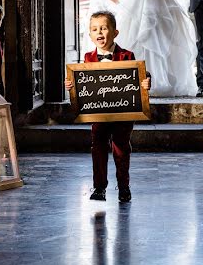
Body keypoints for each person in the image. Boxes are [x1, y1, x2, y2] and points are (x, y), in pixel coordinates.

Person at [64, 11, 150, 202]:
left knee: (121, 149)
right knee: (98, 149)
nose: (99, 32)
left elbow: (141, 75)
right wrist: (71, 86)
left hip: (122, 113)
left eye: (104, 28)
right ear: (90, 34)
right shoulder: (87, 58)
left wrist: (146, 82)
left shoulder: (127, 55)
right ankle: (99, 187)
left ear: (115, 32)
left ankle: (124, 187)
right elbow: (83, 83)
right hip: (99, 114)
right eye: (95, 29)